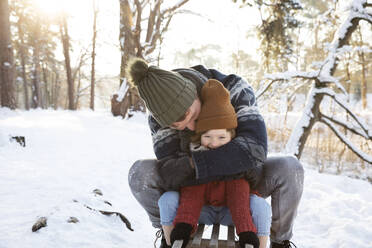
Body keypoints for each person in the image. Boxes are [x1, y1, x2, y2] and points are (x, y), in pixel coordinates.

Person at [126, 58, 304, 248]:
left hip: (243, 189)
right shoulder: (158, 115)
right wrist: (231, 159)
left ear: (196, 94)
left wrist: (195, 163)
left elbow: (255, 150)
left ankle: (280, 242)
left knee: (290, 168)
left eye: (193, 116)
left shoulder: (236, 88)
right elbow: (171, 172)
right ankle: (169, 232)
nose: (193, 127)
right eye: (181, 127)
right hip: (191, 197)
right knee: (140, 173)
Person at [158, 79, 270, 248]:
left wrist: (246, 231)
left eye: (221, 137)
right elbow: (192, 195)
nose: (214, 143)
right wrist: (184, 225)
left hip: (233, 213)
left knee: (260, 205)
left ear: (231, 137)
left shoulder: (236, 159)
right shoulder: (196, 156)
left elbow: (239, 197)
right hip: (201, 212)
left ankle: (258, 244)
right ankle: (170, 242)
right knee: (168, 199)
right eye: (207, 136)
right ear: (199, 135)